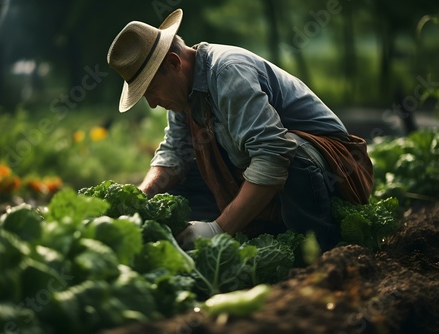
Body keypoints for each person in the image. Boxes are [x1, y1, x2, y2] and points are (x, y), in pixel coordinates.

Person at [106, 9, 373, 251]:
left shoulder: (227, 71)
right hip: (263, 169)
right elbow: (175, 153)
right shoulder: (182, 93)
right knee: (174, 183)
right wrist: (140, 198)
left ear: (174, 64)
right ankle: (232, 240)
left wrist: (219, 228)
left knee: (293, 155)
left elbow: (273, 153)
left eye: (151, 91)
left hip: (334, 168)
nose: (152, 103)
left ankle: (320, 248)